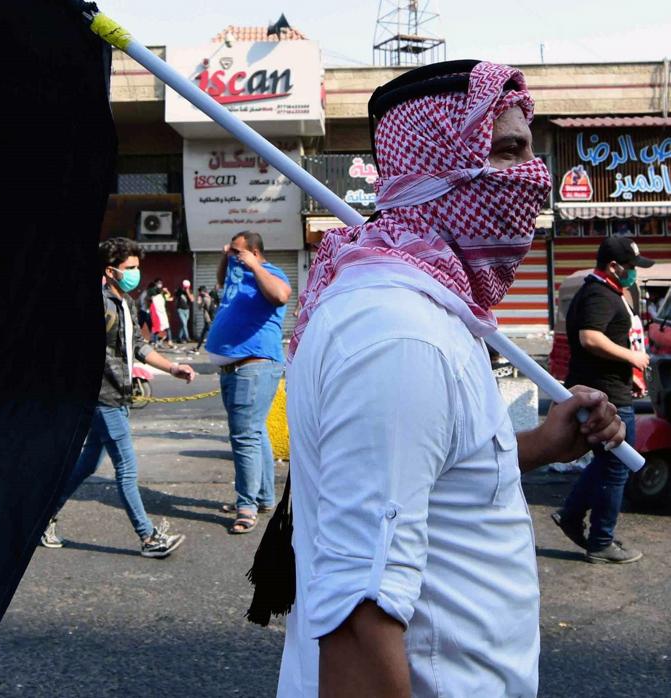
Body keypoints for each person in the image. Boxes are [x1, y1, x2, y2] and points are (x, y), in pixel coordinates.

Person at [277, 61, 624, 697]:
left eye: (529, 150)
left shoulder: (426, 309)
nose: (531, 177)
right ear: (435, 164)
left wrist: (543, 446)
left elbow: (430, 475)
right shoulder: (398, 334)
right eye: (507, 150)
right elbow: (358, 614)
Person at [41, 237, 195, 558]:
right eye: (130, 268)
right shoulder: (98, 304)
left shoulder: (122, 301)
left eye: (138, 267)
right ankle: (149, 538)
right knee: (126, 467)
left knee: (86, 464)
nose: (136, 273)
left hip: (117, 394)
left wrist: (173, 367)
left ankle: (42, 518)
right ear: (110, 270)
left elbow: (138, 345)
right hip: (103, 396)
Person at [552, 236, 650, 564]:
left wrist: (630, 374)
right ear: (613, 266)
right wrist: (633, 358)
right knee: (617, 466)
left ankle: (571, 515)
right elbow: (590, 337)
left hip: (608, 388)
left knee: (607, 463)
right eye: (632, 267)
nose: (634, 273)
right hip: (605, 395)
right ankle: (601, 541)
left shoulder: (604, 290)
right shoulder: (599, 293)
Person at [205, 231, 291, 534]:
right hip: (234, 369)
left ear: (254, 251)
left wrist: (254, 266)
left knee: (244, 437)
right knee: (254, 434)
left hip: (254, 366)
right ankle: (263, 497)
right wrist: (224, 258)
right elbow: (219, 284)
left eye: (239, 252)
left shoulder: (269, 272)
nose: (234, 258)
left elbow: (281, 295)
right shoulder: (235, 274)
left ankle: (246, 507)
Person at [193, 284, 214, 351]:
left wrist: (199, 301)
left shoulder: (205, 299)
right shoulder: (210, 297)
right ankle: (197, 347)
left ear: (202, 291)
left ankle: (201, 347)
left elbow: (200, 307)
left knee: (209, 333)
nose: (199, 293)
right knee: (204, 333)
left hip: (208, 319)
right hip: (210, 319)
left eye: (199, 291)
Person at [173, 280, 193, 344]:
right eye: (185, 287)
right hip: (180, 309)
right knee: (184, 324)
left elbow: (192, 299)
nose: (186, 288)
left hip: (187, 310)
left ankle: (179, 338)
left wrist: (187, 292)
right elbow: (175, 296)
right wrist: (181, 290)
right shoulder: (179, 291)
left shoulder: (189, 291)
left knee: (183, 325)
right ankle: (187, 338)